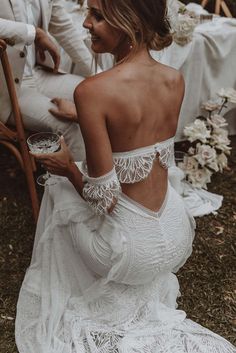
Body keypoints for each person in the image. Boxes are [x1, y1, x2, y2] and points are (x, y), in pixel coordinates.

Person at [15, 0, 236, 352]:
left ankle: (82, 288)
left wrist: (67, 168)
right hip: (175, 236)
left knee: (58, 188)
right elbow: (139, 133)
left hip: (127, 254)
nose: (86, 23)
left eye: (98, 16)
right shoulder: (174, 79)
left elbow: (104, 198)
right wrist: (85, 116)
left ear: (128, 22)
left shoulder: (92, 91)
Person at [0, 0, 97, 159]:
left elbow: (64, 29)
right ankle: (80, 182)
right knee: (68, 125)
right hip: (6, 89)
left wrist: (100, 76)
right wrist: (33, 33)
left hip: (38, 73)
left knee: (96, 94)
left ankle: (107, 172)